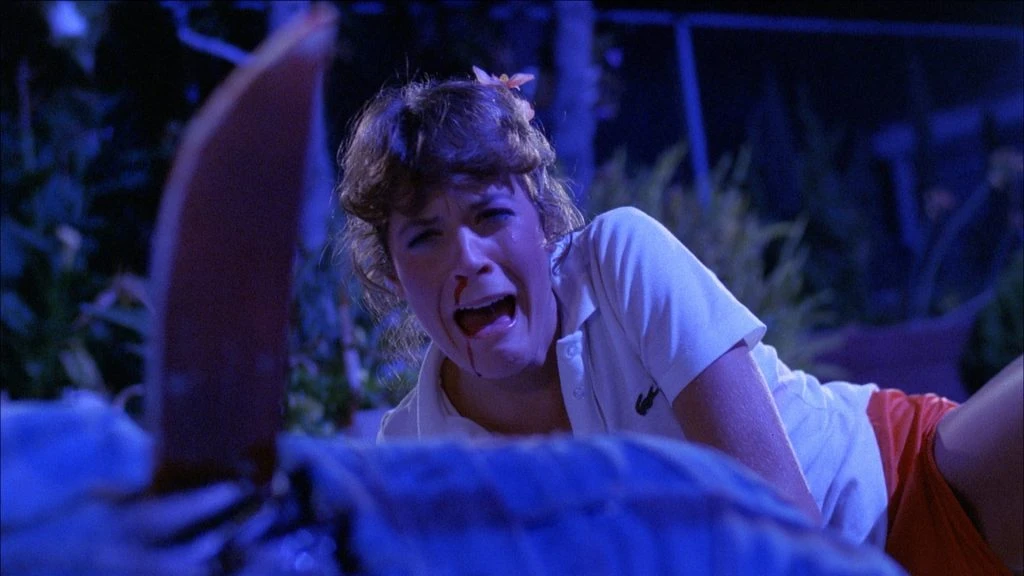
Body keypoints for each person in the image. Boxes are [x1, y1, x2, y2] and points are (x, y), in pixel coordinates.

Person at [336, 67, 1023, 575]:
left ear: (542, 225)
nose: (466, 258)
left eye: (490, 214)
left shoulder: (618, 259)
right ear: (393, 273)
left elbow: (787, 535)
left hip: (899, 493)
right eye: (424, 237)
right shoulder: (412, 454)